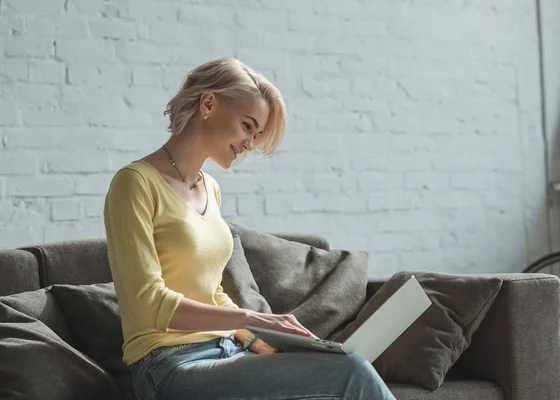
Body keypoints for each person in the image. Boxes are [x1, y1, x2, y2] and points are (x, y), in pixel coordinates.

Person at [103, 57, 396, 400]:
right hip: (169, 366)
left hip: (228, 352)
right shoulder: (134, 183)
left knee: (334, 370)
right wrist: (259, 319)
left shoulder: (209, 188)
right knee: (353, 373)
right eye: (247, 126)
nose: (249, 144)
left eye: (256, 135)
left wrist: (256, 341)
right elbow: (146, 303)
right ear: (208, 103)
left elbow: (210, 293)